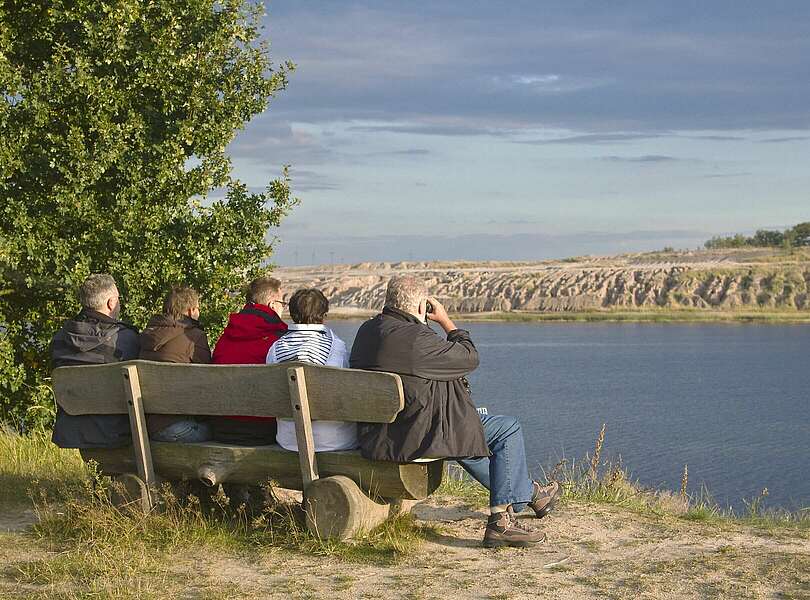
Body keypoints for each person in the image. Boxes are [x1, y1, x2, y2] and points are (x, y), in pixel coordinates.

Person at [350, 275, 560, 548]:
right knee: (506, 429)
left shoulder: (366, 331)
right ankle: (500, 523)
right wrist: (446, 321)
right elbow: (469, 357)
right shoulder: (417, 339)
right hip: (414, 436)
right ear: (421, 305)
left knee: (466, 435)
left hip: (378, 435)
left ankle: (533, 494)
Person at [51, 273, 140, 448]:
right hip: (115, 431)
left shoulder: (60, 338)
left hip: (72, 430)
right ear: (111, 303)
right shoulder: (125, 339)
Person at [266, 288, 357, 452]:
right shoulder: (336, 347)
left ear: (293, 314)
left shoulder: (275, 348)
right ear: (323, 315)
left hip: (288, 439)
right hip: (330, 440)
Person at [210, 275, 288, 444]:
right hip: (263, 430)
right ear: (272, 305)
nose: (283, 309)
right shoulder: (279, 338)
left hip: (221, 427)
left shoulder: (226, 336)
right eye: (283, 304)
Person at [139, 286, 212, 442]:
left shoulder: (147, 334)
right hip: (178, 427)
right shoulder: (194, 336)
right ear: (192, 311)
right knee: (222, 433)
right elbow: (209, 381)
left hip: (145, 427)